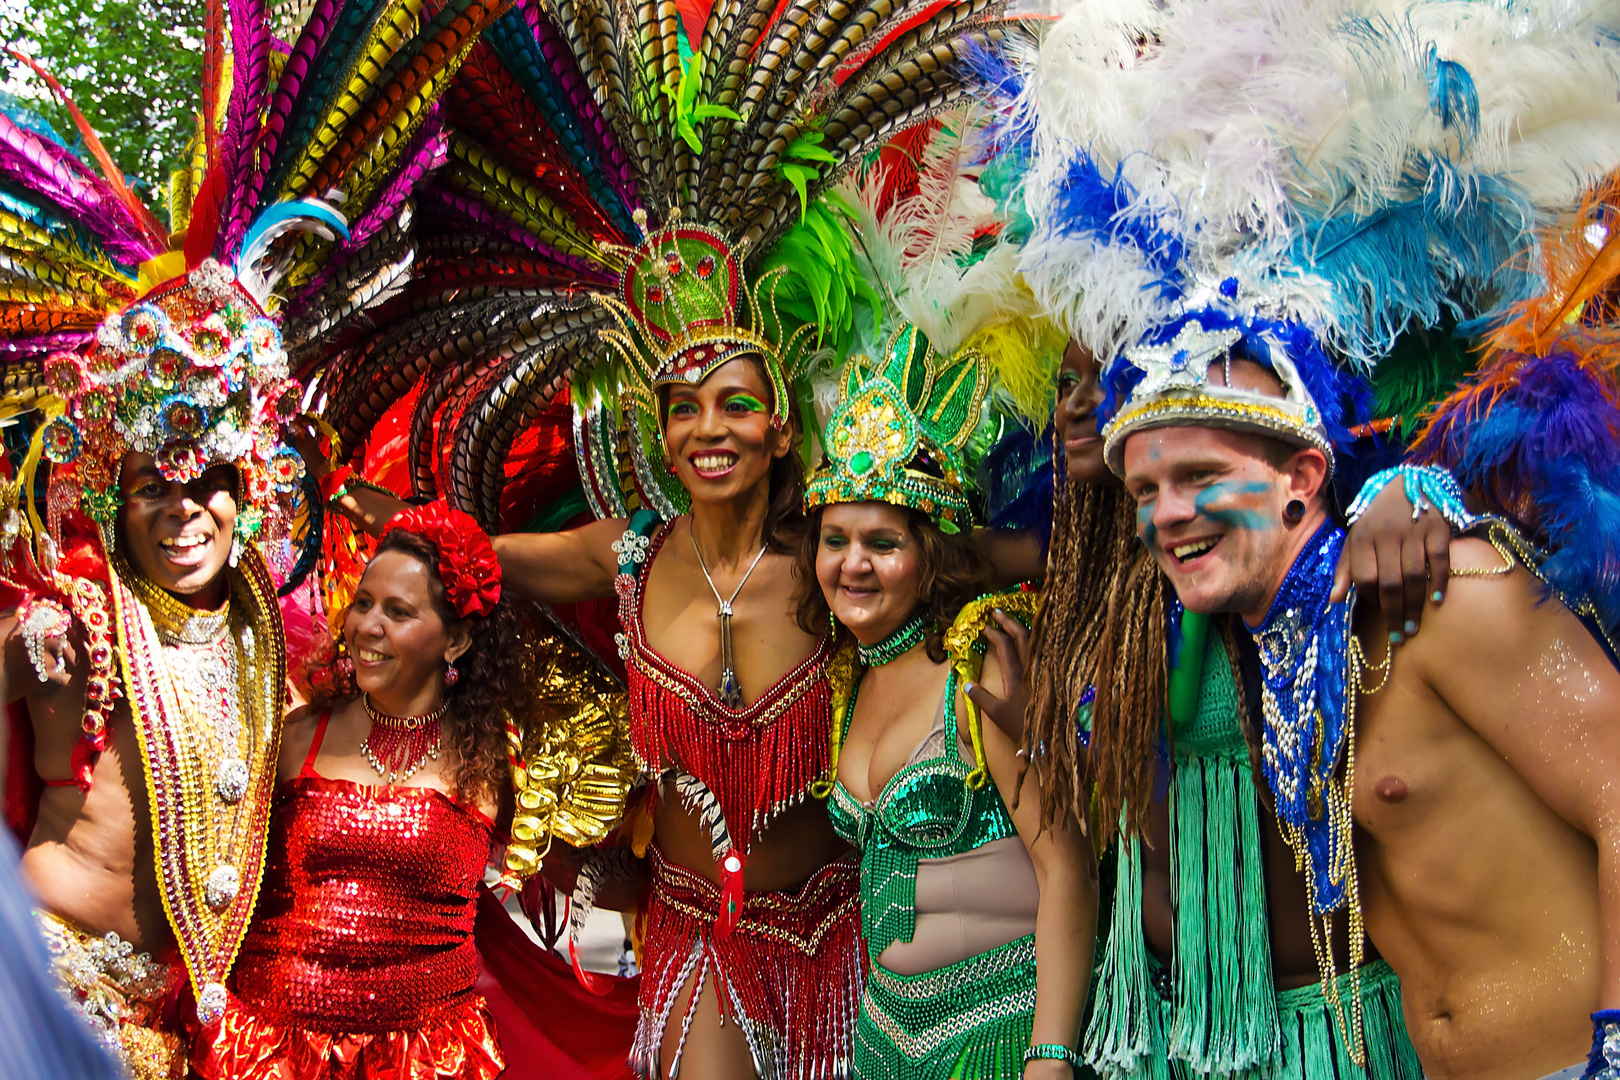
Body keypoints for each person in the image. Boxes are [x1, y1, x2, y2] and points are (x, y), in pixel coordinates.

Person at [306, 2, 1012, 1072]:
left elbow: (986, 560)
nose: (708, 428)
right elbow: (476, 556)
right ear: (660, 431)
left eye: (733, 403)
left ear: (779, 424)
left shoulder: (840, 554)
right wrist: (388, 517)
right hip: (696, 934)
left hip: (840, 927)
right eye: (682, 408)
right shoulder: (624, 555)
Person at [0, 9, 501, 1072]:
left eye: (207, 485)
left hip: (192, 1031)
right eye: (152, 490)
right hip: (52, 996)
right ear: (112, 499)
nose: (182, 510)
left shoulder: (271, 649)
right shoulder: (75, 626)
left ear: (252, 493)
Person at [1111, 332, 1620, 1080]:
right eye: (1145, 493)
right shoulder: (1278, 657)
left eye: (1201, 476)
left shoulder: (1440, 594)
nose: (1169, 515)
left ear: (1303, 475)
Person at [980, 339, 1436, 1080]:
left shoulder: (1261, 563)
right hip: (1160, 1030)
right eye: (1067, 382)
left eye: (1113, 373)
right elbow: (1151, 801)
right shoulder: (1096, 573)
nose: (1080, 401)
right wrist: (1056, 739)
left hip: (1315, 1031)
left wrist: (1414, 488)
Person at [799, 326, 1096, 1079]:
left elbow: (1068, 867)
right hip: (882, 1043)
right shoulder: (845, 677)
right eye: (835, 539)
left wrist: (1051, 1056)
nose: (853, 564)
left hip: (1000, 1034)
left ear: (928, 553)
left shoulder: (983, 658)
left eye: (883, 542)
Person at [193, 501, 517, 1080]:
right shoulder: (293, 735)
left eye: (398, 611)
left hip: (426, 1061)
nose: (367, 626)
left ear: (457, 642)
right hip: (271, 1055)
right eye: (363, 603)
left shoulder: (495, 759)